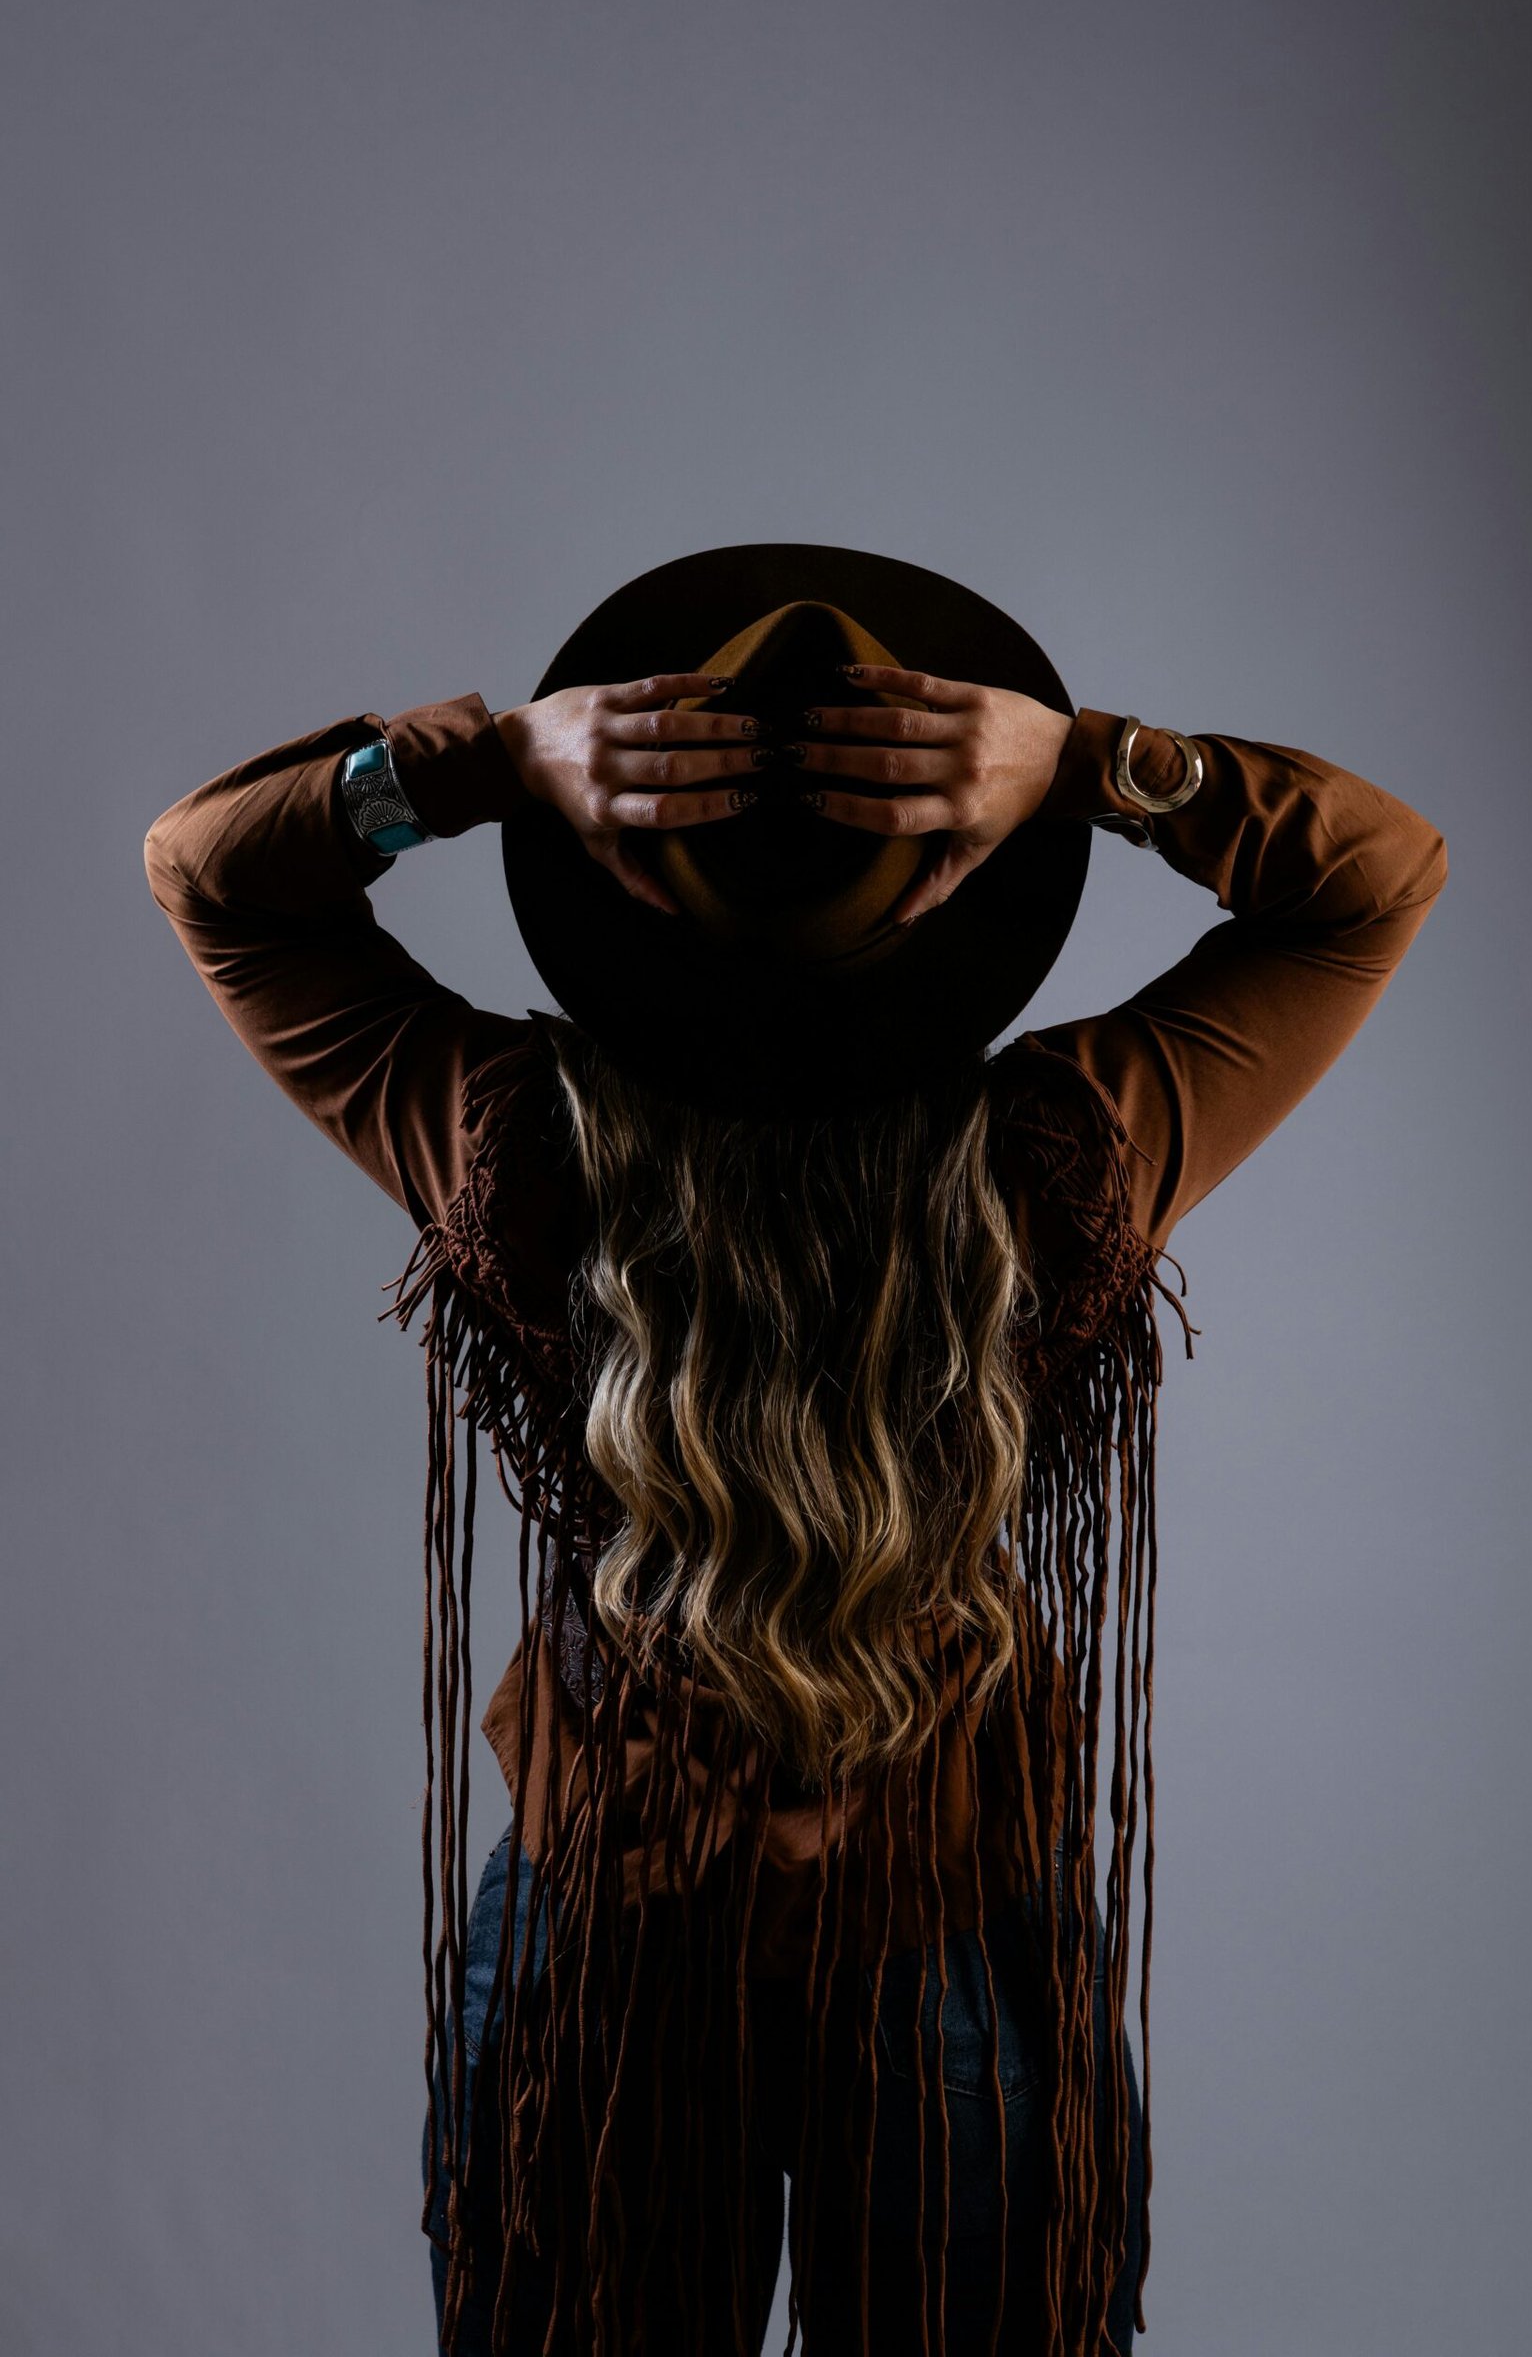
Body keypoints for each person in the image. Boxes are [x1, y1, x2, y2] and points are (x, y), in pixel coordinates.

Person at [143, 545, 1447, 2357]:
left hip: (627, 1913)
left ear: (632, 878)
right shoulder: (1069, 1165)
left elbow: (208, 877)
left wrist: (488, 766)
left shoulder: (512, 1152)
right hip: (944, 1906)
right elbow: (1378, 883)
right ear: (944, 893)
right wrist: (1089, 765)